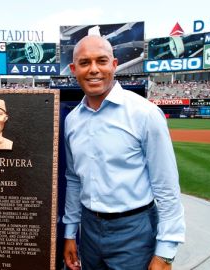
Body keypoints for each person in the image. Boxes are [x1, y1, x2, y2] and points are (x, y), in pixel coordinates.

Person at [62, 35, 185, 270]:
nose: (94, 70)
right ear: (73, 69)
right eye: (85, 62)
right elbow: (74, 178)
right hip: (88, 229)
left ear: (114, 65)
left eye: (102, 61)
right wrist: (70, 233)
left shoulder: (145, 114)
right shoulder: (73, 120)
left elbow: (167, 187)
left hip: (135, 230)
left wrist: (166, 252)